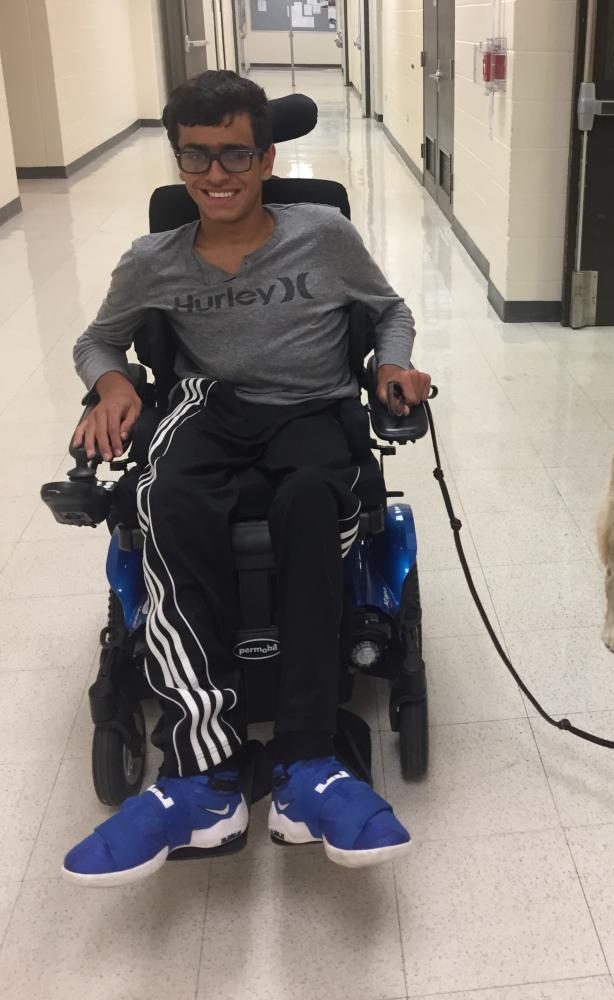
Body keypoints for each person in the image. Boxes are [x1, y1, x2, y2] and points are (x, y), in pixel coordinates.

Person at [62, 71, 431, 887]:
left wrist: (394, 362)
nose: (216, 175)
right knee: (159, 500)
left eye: (235, 155)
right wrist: (114, 383)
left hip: (312, 406)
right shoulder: (151, 259)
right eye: (197, 157)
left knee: (310, 502)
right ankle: (201, 776)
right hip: (208, 404)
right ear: (179, 160)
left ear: (267, 158)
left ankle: (307, 767)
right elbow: (98, 341)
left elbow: (389, 310)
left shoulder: (322, 233)